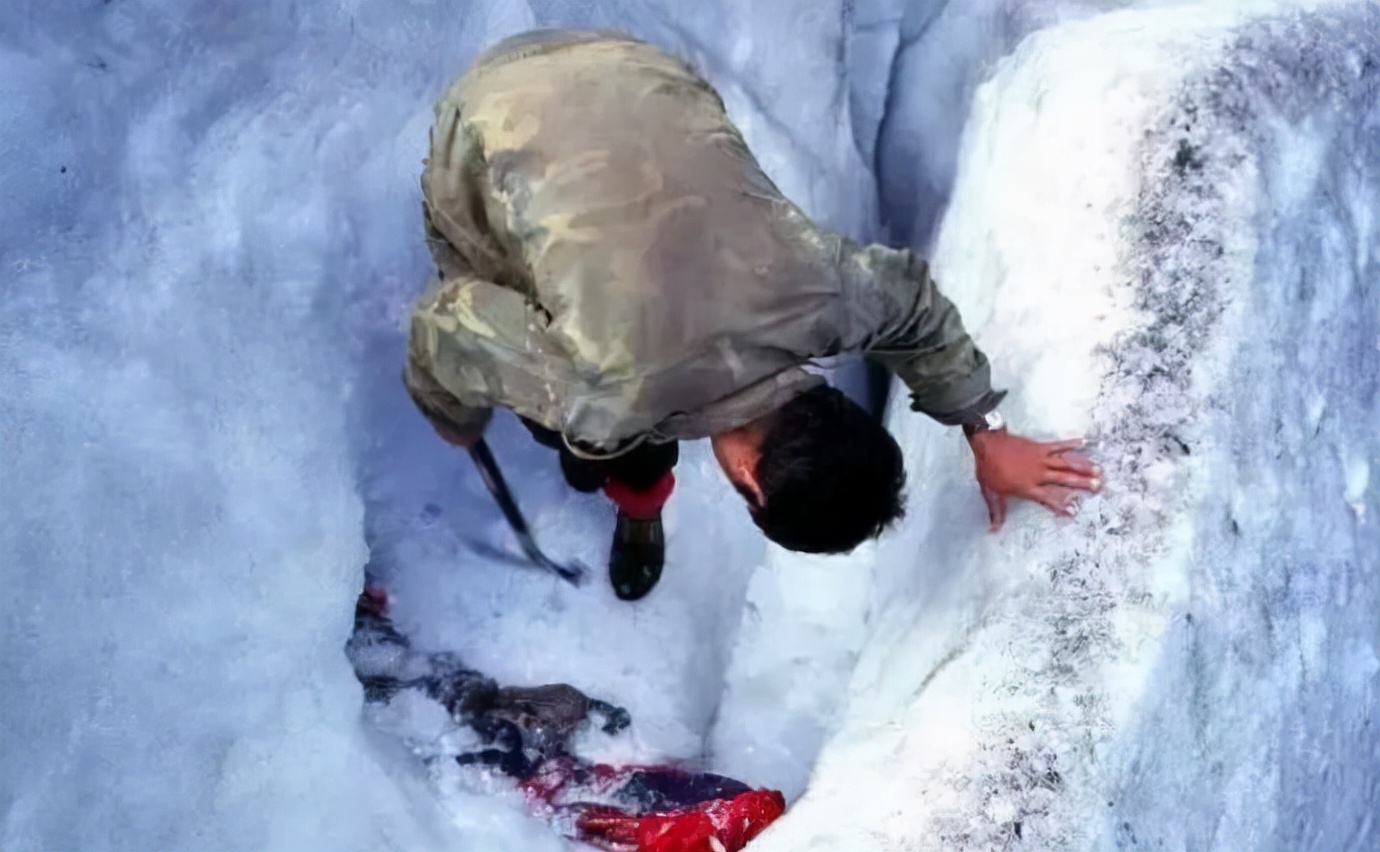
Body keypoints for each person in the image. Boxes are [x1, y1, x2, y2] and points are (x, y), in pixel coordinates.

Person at [403, 29, 1102, 601]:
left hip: (636, 66)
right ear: (749, 483)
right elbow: (444, 323)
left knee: (610, 409)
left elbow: (912, 303)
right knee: (582, 425)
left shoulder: (828, 299)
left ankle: (639, 503)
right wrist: (453, 415)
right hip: (490, 109)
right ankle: (625, 488)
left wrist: (984, 428)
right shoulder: (600, 397)